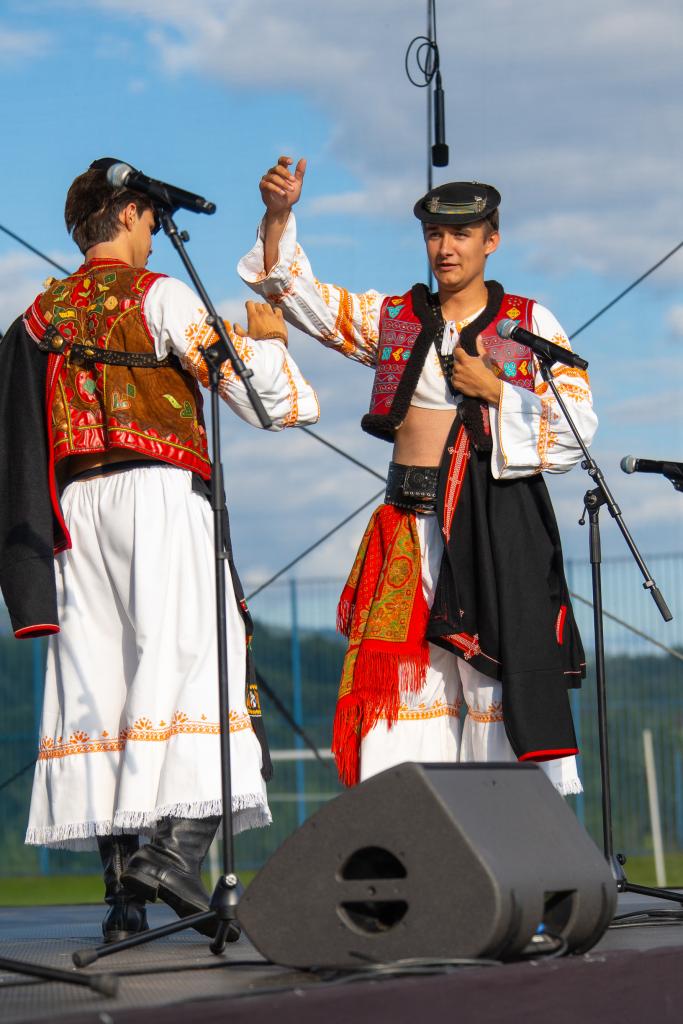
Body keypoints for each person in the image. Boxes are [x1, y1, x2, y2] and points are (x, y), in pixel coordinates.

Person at [0, 159, 319, 942]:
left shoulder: (40, 314)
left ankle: (124, 899)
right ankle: (173, 855)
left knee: (102, 684)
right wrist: (269, 343)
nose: (152, 235)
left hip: (76, 511)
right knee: (201, 663)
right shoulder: (159, 294)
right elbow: (259, 398)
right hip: (159, 495)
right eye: (148, 221)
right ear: (132, 215)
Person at [238, 156, 598, 797]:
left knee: (491, 691)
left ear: (492, 240)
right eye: (435, 234)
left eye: (462, 234)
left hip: (489, 532)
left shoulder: (526, 324)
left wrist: (495, 390)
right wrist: (278, 215)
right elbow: (301, 297)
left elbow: (577, 427)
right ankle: (410, 840)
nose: (446, 247)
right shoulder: (397, 319)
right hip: (407, 528)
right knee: (400, 702)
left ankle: (507, 837)